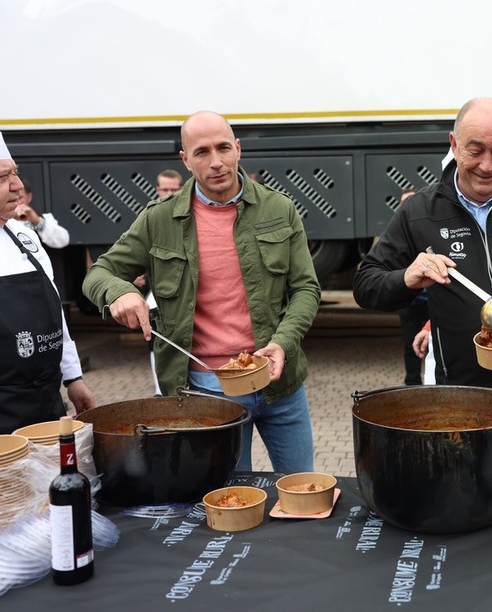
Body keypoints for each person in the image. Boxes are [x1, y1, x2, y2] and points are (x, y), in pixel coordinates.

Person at [353, 97, 492, 481]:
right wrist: (406, 278)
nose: (487, 164)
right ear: (454, 144)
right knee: (478, 514)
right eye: (475, 150)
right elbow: (366, 283)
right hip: (464, 399)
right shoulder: (420, 212)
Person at [82, 111, 321, 473]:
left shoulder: (279, 209)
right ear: (185, 160)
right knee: (231, 501)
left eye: (224, 148)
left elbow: (306, 288)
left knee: (302, 489)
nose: (216, 162)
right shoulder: (159, 220)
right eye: (202, 152)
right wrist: (119, 293)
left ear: (238, 149)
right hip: (209, 390)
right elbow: (99, 272)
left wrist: (283, 343)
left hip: (279, 382)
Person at [0, 130, 96, 433]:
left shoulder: (25, 237)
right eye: (3, 177)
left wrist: (73, 377)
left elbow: (55, 316)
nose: (17, 186)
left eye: (15, 173)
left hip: (46, 403)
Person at [396, 188, 430, 385]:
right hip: (410, 300)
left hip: (432, 300)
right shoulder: (397, 233)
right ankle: (412, 383)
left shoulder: (427, 228)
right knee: (411, 344)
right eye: (402, 203)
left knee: (434, 342)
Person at [14, 177, 70, 249]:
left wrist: (38, 221)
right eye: (12, 199)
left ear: (29, 197)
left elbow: (63, 240)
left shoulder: (46, 218)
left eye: (20, 198)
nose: (15, 203)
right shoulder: (3, 222)